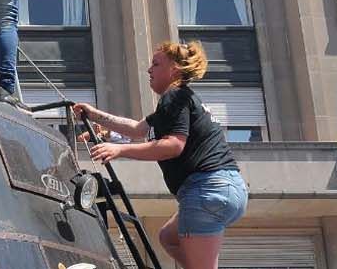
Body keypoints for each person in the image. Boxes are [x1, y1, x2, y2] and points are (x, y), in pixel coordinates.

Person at [74, 41, 247, 269]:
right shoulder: (178, 101)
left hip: (206, 190)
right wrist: (94, 115)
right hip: (226, 187)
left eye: (156, 64)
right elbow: (137, 129)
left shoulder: (173, 97)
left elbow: (173, 145)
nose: (149, 70)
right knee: (168, 237)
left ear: (174, 68)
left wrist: (119, 150)